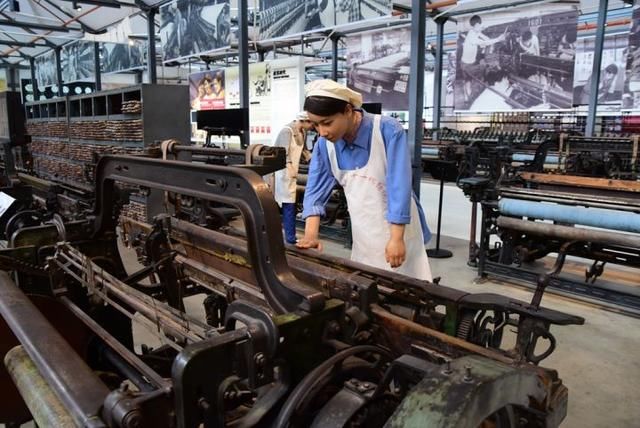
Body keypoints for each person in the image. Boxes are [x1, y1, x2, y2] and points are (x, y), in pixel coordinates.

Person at [297, 80, 432, 281]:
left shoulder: (387, 130)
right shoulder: (324, 145)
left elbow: (399, 186)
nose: (322, 132)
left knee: (407, 286)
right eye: (315, 125)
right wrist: (310, 235)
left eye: (327, 123)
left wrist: (396, 238)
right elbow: (315, 191)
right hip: (364, 232)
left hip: (399, 229)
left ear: (348, 110)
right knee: (367, 285)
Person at [274, 112, 314, 244]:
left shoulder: (303, 132)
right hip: (283, 172)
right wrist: (289, 167)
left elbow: (304, 150)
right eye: (311, 123)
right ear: (303, 121)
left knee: (290, 203)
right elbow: (282, 153)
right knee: (288, 204)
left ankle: (290, 235)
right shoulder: (287, 131)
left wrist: (312, 159)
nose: (312, 126)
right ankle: (290, 237)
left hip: (292, 173)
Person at [460, 15, 507, 104]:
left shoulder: (474, 31)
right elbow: (484, 42)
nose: (481, 27)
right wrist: (498, 39)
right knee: (483, 70)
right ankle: (475, 98)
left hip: (468, 63)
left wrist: (498, 39)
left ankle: (467, 99)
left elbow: (487, 39)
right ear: (477, 25)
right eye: (480, 25)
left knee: (468, 81)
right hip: (467, 65)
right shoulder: (471, 36)